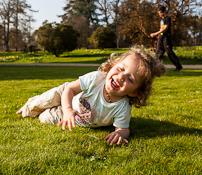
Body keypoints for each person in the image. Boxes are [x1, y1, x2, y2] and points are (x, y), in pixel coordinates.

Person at [17, 46, 165, 145]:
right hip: (68, 94)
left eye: (130, 79)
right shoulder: (96, 78)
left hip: (71, 115)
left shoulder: (122, 107)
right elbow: (70, 90)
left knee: (43, 118)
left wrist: (120, 134)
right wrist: (68, 109)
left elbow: (123, 128)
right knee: (39, 105)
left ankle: (44, 110)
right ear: (113, 65)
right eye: (120, 69)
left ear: (134, 92)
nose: (121, 77)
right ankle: (31, 103)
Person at [150, 6, 183, 71]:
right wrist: (159, 35)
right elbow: (161, 29)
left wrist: (155, 33)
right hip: (161, 37)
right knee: (158, 52)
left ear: (164, 11)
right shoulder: (161, 20)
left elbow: (165, 29)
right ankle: (155, 67)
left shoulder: (167, 18)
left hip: (166, 37)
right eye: (159, 13)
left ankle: (178, 66)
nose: (159, 14)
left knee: (169, 51)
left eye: (161, 13)